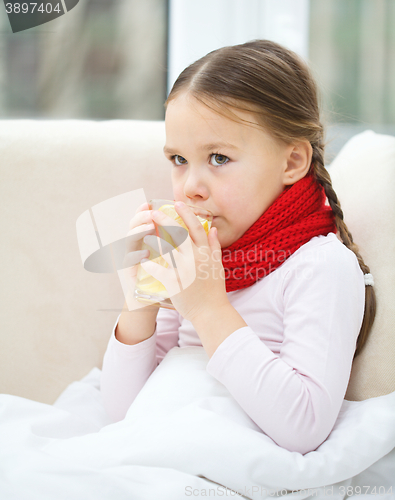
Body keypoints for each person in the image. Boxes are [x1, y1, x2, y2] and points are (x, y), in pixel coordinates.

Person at [100, 40, 376, 455]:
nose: (191, 187)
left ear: (291, 162)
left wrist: (208, 308)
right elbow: (123, 416)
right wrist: (138, 303)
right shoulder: (198, 257)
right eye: (178, 159)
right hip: (159, 452)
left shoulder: (320, 265)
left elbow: (303, 426)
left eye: (218, 158)